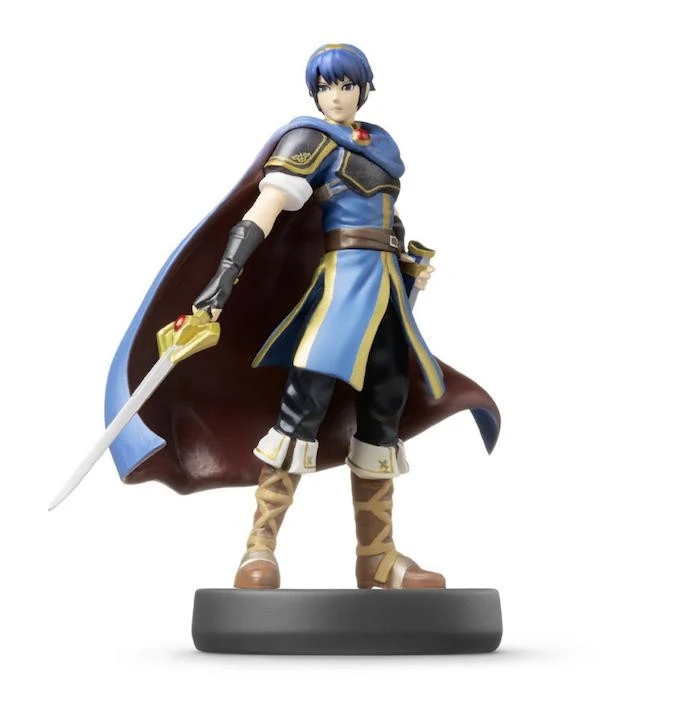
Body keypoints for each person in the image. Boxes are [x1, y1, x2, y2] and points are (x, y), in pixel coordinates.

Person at [104, 43, 500, 592]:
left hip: (386, 296)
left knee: (384, 413)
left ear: (364, 89)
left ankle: (378, 557)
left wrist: (407, 264)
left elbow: (387, 216)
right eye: (325, 87)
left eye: (345, 85)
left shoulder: (382, 147)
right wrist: (223, 279)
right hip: (340, 294)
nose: (335, 96)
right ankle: (259, 548)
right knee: (301, 411)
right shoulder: (308, 140)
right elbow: (262, 212)